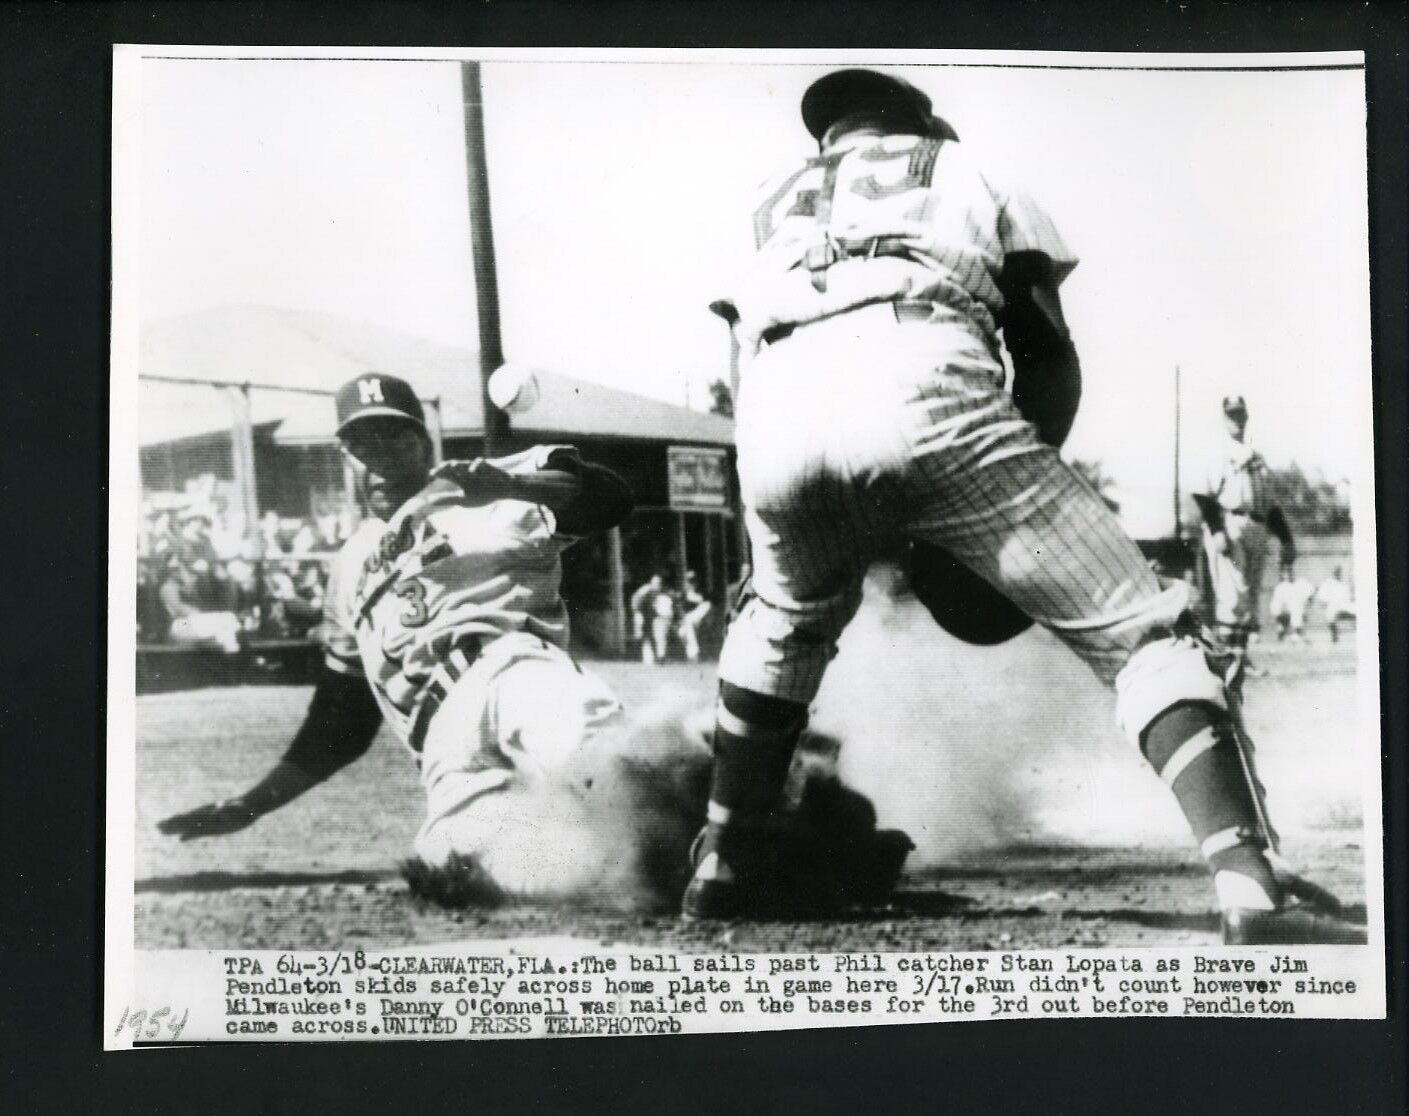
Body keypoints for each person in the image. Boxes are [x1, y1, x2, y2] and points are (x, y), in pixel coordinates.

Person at [685, 68, 1361, 944]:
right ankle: (1251, 889)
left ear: (829, 139)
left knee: (779, 626)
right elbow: (1044, 356)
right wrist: (990, 512)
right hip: (920, 371)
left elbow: (746, 371)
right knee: (1144, 633)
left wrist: (812, 514)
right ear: (918, 123)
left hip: (772, 412)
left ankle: (719, 868)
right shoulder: (966, 170)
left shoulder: (761, 205)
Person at [158, 372, 907, 910]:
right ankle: (780, 859)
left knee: (604, 768)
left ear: (421, 439)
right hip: (440, 747)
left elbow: (610, 496)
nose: (378, 452)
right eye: (361, 441)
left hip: (510, 667)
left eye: (394, 433)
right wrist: (251, 806)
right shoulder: (349, 564)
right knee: (467, 865)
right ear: (345, 457)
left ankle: (785, 799)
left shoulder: (483, 491)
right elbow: (342, 716)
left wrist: (496, 480)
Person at [1195, 395, 1296, 649]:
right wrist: (1217, 530)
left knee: (1249, 599)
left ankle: (1239, 660)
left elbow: (1271, 506)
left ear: (1247, 416)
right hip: (1231, 525)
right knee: (1232, 597)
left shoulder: (1257, 457)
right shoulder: (1216, 453)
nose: (1237, 419)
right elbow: (1202, 494)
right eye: (1231, 415)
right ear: (1223, 419)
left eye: (1240, 414)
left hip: (1257, 526)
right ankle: (1227, 661)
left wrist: (1286, 539)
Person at [157, 557, 242, 654]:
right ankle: (231, 653)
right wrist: (203, 614)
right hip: (178, 624)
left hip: (191, 623)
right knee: (224, 621)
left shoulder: (191, 586)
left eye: (182, 568)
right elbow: (179, 609)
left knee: (227, 622)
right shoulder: (168, 587)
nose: (181, 571)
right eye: (175, 569)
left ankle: (230, 652)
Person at [630, 573, 671, 664]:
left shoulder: (664, 594)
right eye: (654, 582)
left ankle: (661, 657)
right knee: (643, 634)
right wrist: (637, 612)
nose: (655, 585)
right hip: (644, 616)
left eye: (658, 583)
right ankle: (647, 657)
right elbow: (635, 599)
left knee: (659, 634)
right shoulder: (645, 590)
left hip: (656, 618)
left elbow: (666, 611)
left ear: (661, 584)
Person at [1268, 565, 1315, 644]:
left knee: (1297, 613)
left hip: (1295, 612)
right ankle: (1287, 631)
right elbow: (1277, 604)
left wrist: (1307, 604)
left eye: (1290, 573)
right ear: (1283, 576)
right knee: (1294, 615)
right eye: (1286, 574)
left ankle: (1291, 632)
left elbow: (1308, 596)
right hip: (1284, 612)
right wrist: (1282, 610)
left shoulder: (1298, 584)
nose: (1288, 576)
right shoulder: (1281, 587)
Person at [676, 570, 714, 663]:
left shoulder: (702, 593)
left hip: (699, 618)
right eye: (689, 581)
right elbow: (680, 609)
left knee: (689, 622)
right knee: (681, 633)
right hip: (687, 619)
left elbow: (707, 608)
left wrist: (701, 619)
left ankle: (694, 655)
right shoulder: (683, 595)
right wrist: (681, 619)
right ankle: (692, 653)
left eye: (692, 581)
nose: (690, 583)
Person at [1316, 566, 1356, 643]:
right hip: (1333, 605)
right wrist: (1324, 604)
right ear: (1333, 573)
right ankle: (1334, 635)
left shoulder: (1344, 584)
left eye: (1339, 571)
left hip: (1345, 605)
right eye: (1336, 571)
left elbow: (1349, 598)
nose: (1338, 573)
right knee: (1330, 612)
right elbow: (1321, 597)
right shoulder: (1328, 583)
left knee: (1357, 610)